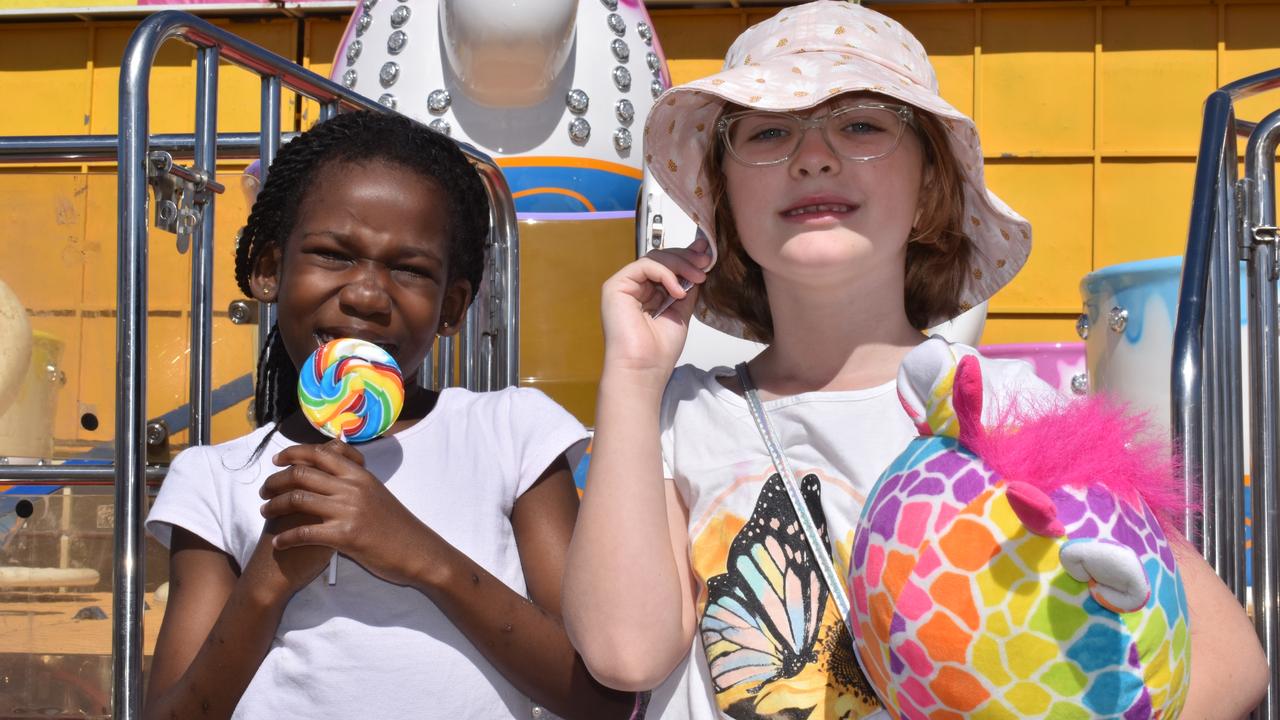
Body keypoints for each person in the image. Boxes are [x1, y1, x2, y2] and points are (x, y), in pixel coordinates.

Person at [561, 2, 1269, 719]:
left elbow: (1226, 660)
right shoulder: (679, 411)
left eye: (862, 124)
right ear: (725, 195)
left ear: (931, 184)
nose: (814, 155)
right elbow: (625, 652)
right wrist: (632, 375)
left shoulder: (1009, 406)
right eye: (769, 132)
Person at [143, 111, 635, 720]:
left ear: (452, 306)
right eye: (331, 254)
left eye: (410, 269)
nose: (368, 295)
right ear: (270, 270)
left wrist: (418, 554)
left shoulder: (514, 432)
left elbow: (602, 697)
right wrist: (267, 581)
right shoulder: (214, 477)